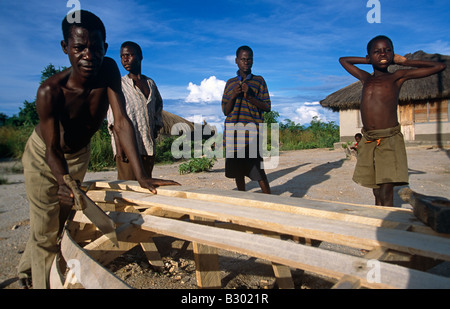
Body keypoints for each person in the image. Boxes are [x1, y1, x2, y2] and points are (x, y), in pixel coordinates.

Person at [17, 10, 179, 289]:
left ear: (105, 46)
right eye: (79, 47)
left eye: (96, 47)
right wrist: (63, 180)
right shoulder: (50, 91)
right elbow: (52, 149)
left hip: (79, 153)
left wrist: (141, 176)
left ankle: (29, 269)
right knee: (45, 223)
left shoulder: (108, 69)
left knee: (61, 217)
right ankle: (38, 280)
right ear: (65, 48)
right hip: (44, 154)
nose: (88, 55)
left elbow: (121, 121)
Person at [339, 35, 446, 206]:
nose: (383, 54)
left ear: (393, 54)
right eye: (377, 51)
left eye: (387, 50)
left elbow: (439, 66)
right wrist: (370, 60)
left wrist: (403, 61)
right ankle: (378, 215)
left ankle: (389, 222)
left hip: (388, 138)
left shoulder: (397, 76)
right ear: (369, 56)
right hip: (368, 139)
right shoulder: (366, 78)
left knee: (386, 187)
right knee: (374, 186)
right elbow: (343, 60)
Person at [107, 41, 163, 179]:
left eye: (129, 55)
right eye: (122, 56)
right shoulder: (118, 85)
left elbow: (158, 108)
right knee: (128, 189)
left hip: (147, 148)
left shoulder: (150, 83)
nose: (125, 59)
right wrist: (120, 147)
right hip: (127, 149)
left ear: (140, 56)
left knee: (146, 188)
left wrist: (155, 129)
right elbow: (113, 119)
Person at [221, 46, 271, 194]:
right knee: (238, 172)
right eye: (243, 59)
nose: (246, 62)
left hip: (251, 134)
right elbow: (225, 111)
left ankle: (270, 200)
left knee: (258, 171)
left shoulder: (259, 81)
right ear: (236, 61)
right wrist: (233, 95)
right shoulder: (230, 84)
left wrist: (250, 96)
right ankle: (243, 199)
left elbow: (267, 107)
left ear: (252, 61)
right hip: (233, 134)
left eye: (249, 59)